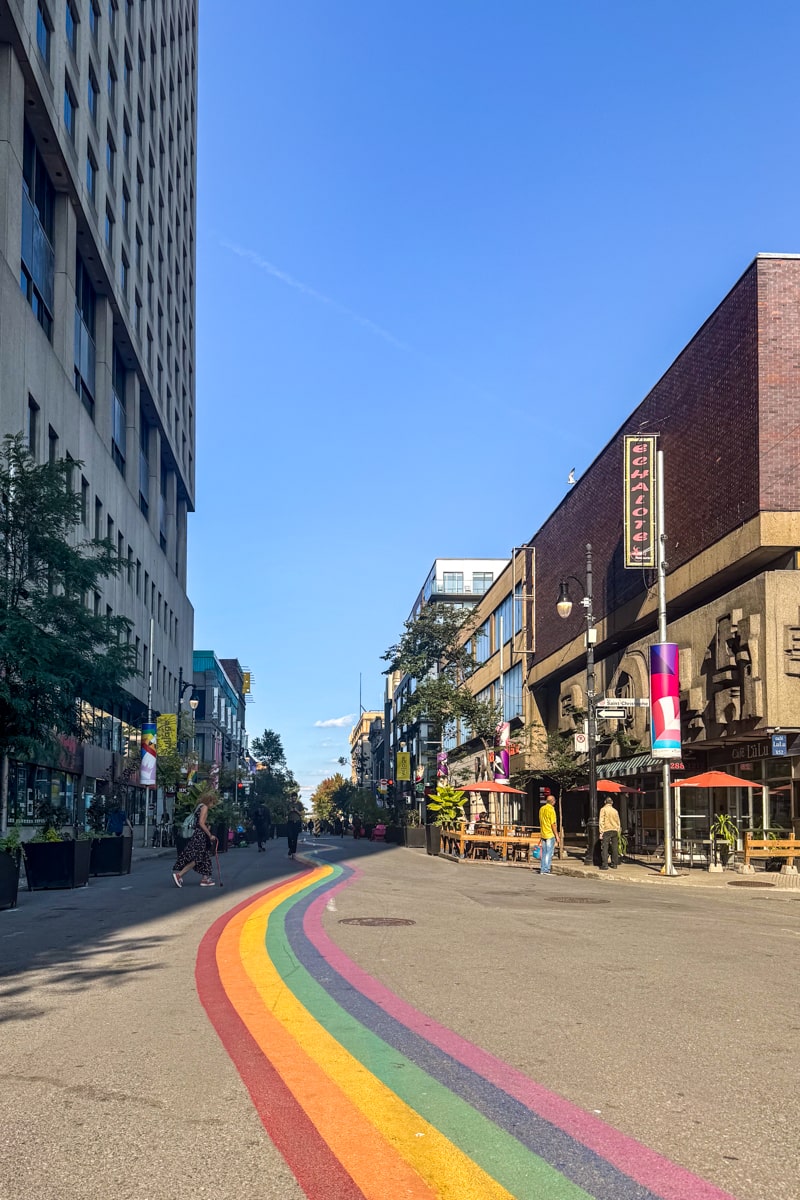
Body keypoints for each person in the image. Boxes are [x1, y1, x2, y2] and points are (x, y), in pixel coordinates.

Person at [171, 791, 219, 887]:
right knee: (197, 858)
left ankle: (205, 878)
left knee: (205, 856)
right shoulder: (204, 807)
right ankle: (179, 875)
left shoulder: (199, 807)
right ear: (209, 801)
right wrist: (210, 834)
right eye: (213, 803)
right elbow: (201, 823)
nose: (213, 805)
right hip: (200, 836)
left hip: (198, 835)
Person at [538, 791, 558, 875]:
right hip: (550, 834)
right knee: (549, 852)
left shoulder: (542, 809)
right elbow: (553, 824)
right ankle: (546, 869)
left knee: (544, 852)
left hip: (543, 833)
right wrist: (557, 835)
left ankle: (542, 869)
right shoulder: (551, 810)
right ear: (553, 802)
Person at [599, 797, 621, 870]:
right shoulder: (615, 811)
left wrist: (601, 831)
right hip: (614, 830)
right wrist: (617, 829)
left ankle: (605, 864)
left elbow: (601, 821)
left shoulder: (603, 809)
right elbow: (618, 821)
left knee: (605, 847)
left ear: (605, 802)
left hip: (606, 830)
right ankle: (615, 864)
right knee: (614, 848)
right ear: (612, 803)